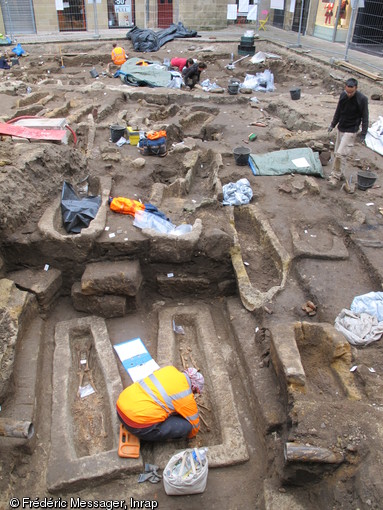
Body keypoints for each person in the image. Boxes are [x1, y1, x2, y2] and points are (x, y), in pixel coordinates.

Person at [116, 366, 204, 441]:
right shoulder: (186, 396)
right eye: (195, 392)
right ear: (193, 387)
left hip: (121, 405)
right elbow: (194, 428)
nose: (194, 394)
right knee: (187, 427)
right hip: (136, 424)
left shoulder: (170, 369)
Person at [327, 77, 369, 188]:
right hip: (341, 127)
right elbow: (338, 111)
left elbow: (365, 117)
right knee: (337, 153)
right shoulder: (343, 96)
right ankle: (339, 174)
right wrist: (333, 124)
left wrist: (363, 133)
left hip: (351, 130)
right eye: (347, 92)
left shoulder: (362, 99)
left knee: (340, 154)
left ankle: (334, 177)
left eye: (351, 92)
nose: (349, 94)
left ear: (356, 88)